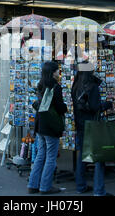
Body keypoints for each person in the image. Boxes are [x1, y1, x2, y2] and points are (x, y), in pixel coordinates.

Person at [71, 65, 114, 196]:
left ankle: (80, 186)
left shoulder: (76, 86)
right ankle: (99, 190)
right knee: (99, 158)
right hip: (92, 125)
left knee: (82, 156)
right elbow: (95, 107)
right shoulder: (92, 86)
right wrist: (107, 104)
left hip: (80, 124)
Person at [27, 61, 67, 195]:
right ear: (52, 72)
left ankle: (33, 185)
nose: (58, 72)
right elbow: (60, 107)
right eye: (56, 70)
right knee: (50, 157)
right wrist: (66, 107)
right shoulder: (55, 87)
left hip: (40, 126)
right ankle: (45, 187)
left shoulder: (40, 86)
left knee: (40, 155)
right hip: (51, 126)